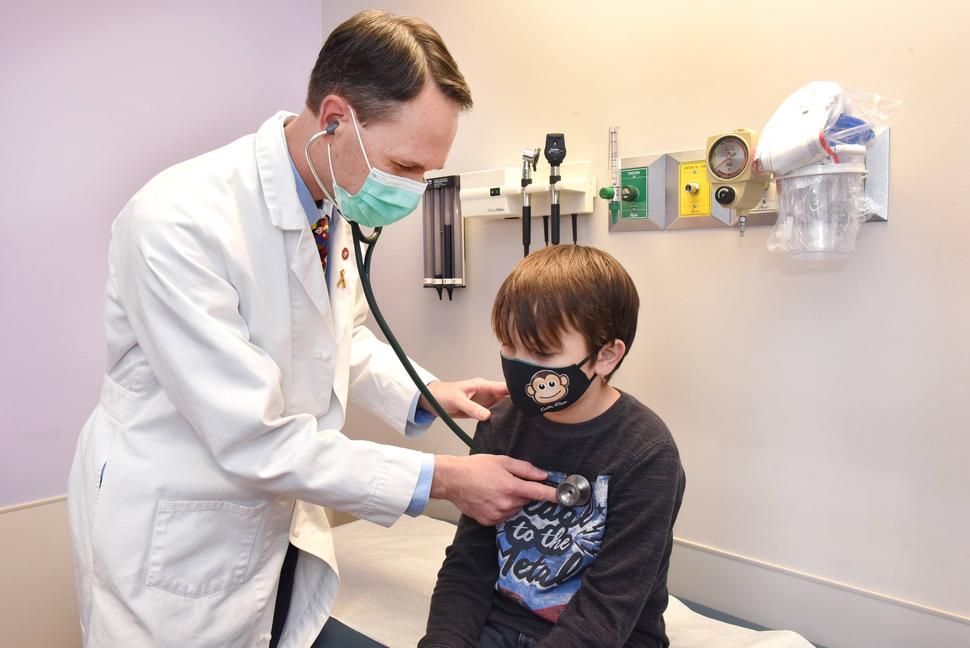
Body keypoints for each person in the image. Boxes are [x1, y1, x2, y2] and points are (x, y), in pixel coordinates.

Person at [67, 10, 555, 648]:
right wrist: (441, 479)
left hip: (274, 527)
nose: (412, 191)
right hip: (178, 536)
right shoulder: (177, 223)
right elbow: (253, 438)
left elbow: (338, 338)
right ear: (334, 119)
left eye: (424, 173)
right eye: (404, 166)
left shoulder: (331, 195)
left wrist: (425, 393)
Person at [420, 245, 687, 648]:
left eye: (542, 352)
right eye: (509, 346)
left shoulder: (647, 454)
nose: (519, 365)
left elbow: (610, 606)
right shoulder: (500, 425)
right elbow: (468, 564)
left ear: (606, 356)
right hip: (501, 623)